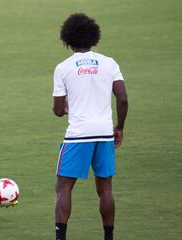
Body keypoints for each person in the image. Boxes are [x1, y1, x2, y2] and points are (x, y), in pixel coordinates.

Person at [52, 13, 128, 240]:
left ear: (68, 39)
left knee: (64, 187)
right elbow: (123, 99)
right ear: (94, 36)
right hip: (104, 133)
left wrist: (68, 106)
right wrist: (120, 127)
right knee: (105, 189)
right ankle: (108, 237)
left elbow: (57, 110)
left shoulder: (63, 67)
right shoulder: (109, 63)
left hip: (78, 135)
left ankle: (60, 237)